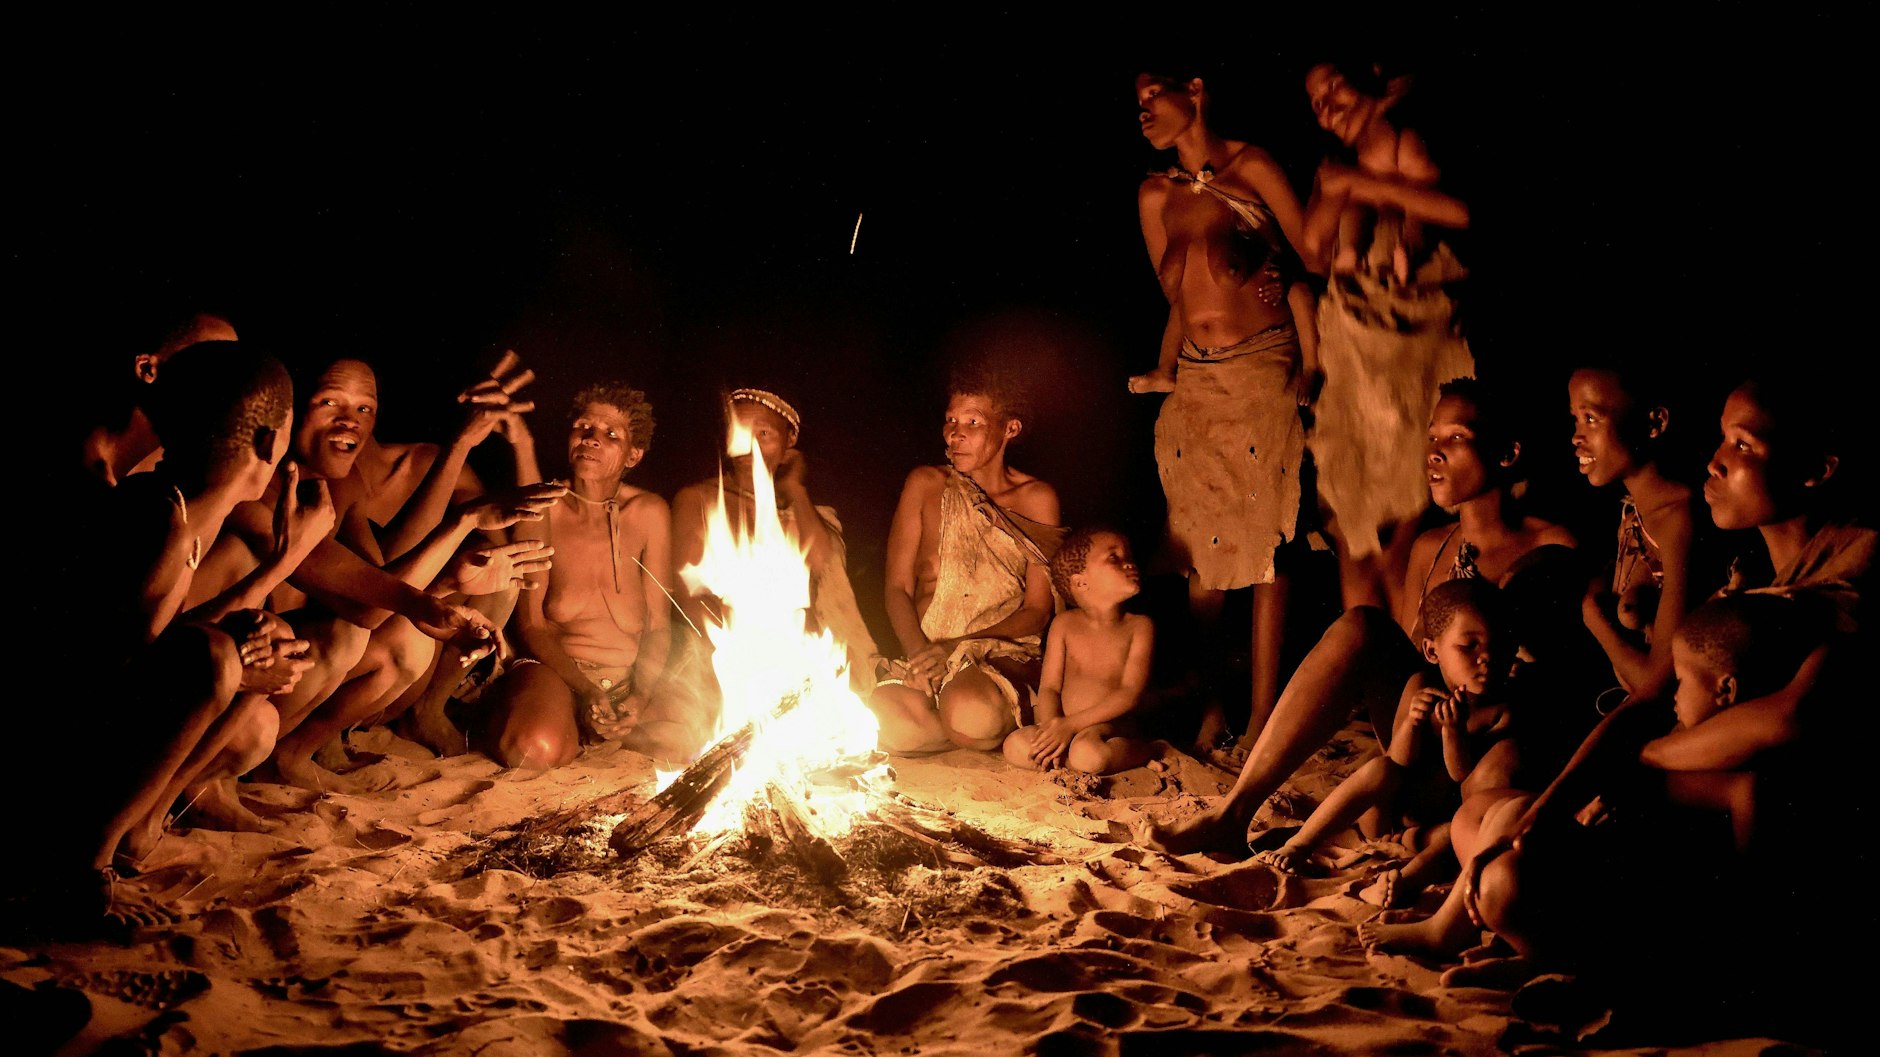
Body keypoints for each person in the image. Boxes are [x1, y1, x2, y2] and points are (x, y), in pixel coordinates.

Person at [1146, 377, 1575, 855]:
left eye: (1455, 439)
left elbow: (1558, 682)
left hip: (1492, 750)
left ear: (1507, 454)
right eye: (1431, 438)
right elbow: (1416, 657)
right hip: (1427, 740)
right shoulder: (1433, 547)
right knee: (1362, 624)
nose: (1434, 453)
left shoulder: (1551, 547)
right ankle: (1234, 812)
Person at [9, 343, 310, 937]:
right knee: (217, 657)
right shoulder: (155, 521)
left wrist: (248, 631)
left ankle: (139, 827)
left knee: (259, 638)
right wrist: (232, 653)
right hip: (41, 753)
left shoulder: (183, 510)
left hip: (79, 733)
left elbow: (148, 641)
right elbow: (102, 669)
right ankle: (81, 871)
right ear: (270, 444)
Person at [187, 357, 542, 790]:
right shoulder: (253, 490)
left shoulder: (343, 481)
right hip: (191, 683)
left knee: (403, 642)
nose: (349, 421)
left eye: (364, 409)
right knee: (350, 634)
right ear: (289, 412)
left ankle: (289, 755)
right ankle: (204, 784)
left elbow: (381, 578)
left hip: (259, 674)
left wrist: (451, 574)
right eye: (329, 402)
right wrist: (459, 519)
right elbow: (365, 605)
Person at [1126, 68, 1320, 756]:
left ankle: (1265, 715)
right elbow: (1176, 297)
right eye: (1137, 101)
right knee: (1201, 560)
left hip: (1263, 361)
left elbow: (1314, 251)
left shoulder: (1253, 164)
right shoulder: (1155, 195)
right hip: (1198, 381)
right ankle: (1214, 701)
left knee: (1265, 543)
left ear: (1197, 89)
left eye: (1155, 94)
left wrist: (1280, 271)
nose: (1143, 108)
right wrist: (1163, 367)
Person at [1300, 61, 1474, 616]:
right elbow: (1311, 247)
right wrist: (1345, 192)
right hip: (1353, 352)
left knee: (1407, 528)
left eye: (1334, 87)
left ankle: (1413, 668)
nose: (1326, 106)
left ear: (1373, 79)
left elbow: (1456, 212)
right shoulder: (1337, 170)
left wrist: (1363, 188)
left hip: (1412, 350)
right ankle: (1368, 671)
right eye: (1315, 102)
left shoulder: (1413, 144)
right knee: (1354, 529)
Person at [1250, 578, 1513, 910]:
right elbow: (1398, 760)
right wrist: (1412, 725)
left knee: (1450, 838)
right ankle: (1299, 845)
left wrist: (1452, 733)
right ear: (1432, 651)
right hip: (1388, 817)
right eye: (1469, 646)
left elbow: (1463, 779)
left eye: (1498, 646)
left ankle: (1401, 883)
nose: (1486, 658)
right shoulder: (1421, 684)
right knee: (1379, 769)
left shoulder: (1500, 712)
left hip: (1433, 828)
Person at [871, 362, 1064, 755]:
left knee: (971, 711)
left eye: (973, 422)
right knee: (883, 720)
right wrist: (920, 654)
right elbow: (896, 588)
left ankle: (970, 722)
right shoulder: (925, 485)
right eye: (950, 420)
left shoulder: (1036, 499)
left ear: (1010, 428)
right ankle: (967, 731)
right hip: (925, 656)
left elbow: (1037, 610)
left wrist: (955, 649)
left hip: (997, 655)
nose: (955, 433)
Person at [478, 382, 673, 770]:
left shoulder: (649, 513)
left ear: (633, 455)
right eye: (584, 427)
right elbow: (531, 624)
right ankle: (553, 722)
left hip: (626, 681)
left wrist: (641, 697)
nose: (592, 439)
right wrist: (583, 691)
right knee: (532, 749)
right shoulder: (546, 505)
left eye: (610, 434)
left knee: (697, 740)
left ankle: (605, 729)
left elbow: (658, 626)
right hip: (559, 676)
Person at [670, 388, 882, 701]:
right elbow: (689, 594)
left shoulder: (801, 508)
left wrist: (795, 489)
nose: (749, 447)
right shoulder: (698, 500)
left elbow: (826, 566)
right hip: (724, 653)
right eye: (739, 433)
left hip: (800, 653)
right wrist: (739, 651)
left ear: (789, 441)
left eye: (764, 433)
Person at [1002, 527, 1158, 774]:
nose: (1129, 564)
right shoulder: (1064, 625)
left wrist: (1070, 726)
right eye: (1114, 558)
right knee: (1015, 745)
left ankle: (1147, 750)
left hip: (1108, 728)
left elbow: (1129, 693)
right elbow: (1050, 687)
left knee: (1089, 755)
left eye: (1128, 556)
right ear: (1081, 582)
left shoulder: (1139, 627)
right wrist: (1050, 728)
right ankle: (1073, 760)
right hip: (1065, 725)